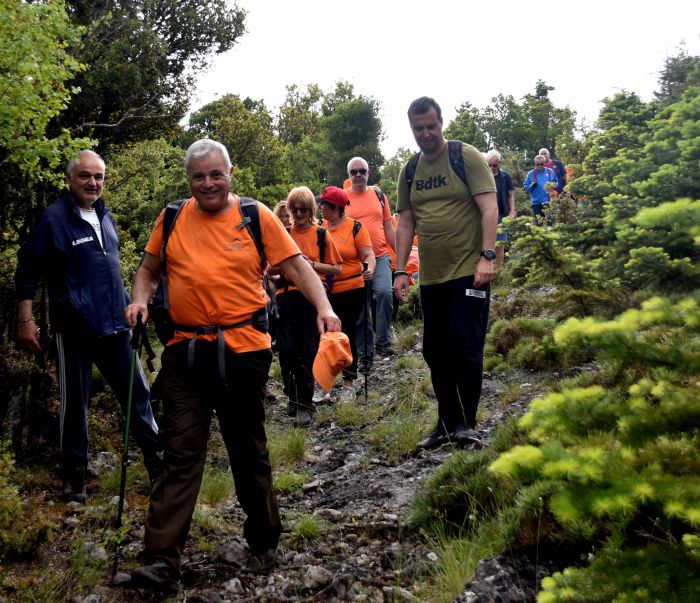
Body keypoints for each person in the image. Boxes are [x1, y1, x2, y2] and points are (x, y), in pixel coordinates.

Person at [125, 140, 341, 593]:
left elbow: (298, 267)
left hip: (244, 350)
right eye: (198, 176)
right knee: (180, 453)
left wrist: (324, 309)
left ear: (231, 173)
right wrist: (140, 300)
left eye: (215, 174)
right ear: (189, 179)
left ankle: (263, 538)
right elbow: (147, 269)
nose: (207, 184)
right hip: (185, 352)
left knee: (247, 446)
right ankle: (162, 562)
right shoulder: (170, 217)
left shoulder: (255, 215)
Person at [14, 150, 162, 504]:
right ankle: (74, 478)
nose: (93, 183)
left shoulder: (104, 215)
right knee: (74, 406)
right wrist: (25, 320)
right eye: (85, 176)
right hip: (75, 331)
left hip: (116, 325)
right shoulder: (53, 219)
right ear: (70, 179)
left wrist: (133, 305)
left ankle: (159, 465)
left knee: (138, 396)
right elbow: (27, 272)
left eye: (98, 177)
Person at [394, 97, 498, 450]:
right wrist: (399, 270)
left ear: (441, 122)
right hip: (433, 276)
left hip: (470, 271)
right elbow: (405, 223)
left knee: (465, 346)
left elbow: (489, 206)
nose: (426, 133)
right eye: (418, 128)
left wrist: (487, 256)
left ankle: (465, 424)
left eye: (431, 126)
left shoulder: (464, 156)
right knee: (435, 352)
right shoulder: (410, 170)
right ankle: (445, 424)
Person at [269, 186, 342, 426]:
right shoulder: (284, 233)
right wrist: (291, 266)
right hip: (286, 296)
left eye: (303, 209)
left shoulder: (321, 234)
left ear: (311, 210)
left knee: (309, 349)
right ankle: (293, 396)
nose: (298, 213)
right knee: (287, 350)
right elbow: (270, 269)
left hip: (312, 297)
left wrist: (310, 264)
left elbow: (336, 268)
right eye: (294, 209)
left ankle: (305, 404)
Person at [318, 186, 376, 401]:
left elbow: (368, 254)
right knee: (325, 335)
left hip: (352, 288)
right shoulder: (319, 229)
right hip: (326, 290)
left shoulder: (355, 228)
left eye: (323, 203)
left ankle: (348, 383)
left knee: (346, 333)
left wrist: (368, 268)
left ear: (335, 207)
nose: (320, 207)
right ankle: (324, 382)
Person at [345, 157, 397, 370]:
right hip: (354, 261)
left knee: (385, 293)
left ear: (368, 173)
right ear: (348, 175)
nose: (358, 175)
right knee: (360, 307)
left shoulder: (379, 195)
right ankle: (365, 351)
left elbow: (389, 227)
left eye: (362, 171)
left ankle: (383, 341)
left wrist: (401, 255)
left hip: (381, 255)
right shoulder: (343, 199)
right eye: (354, 171)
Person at [485, 150, 516, 268]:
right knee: (488, 243)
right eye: (489, 165)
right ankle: (488, 268)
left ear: (500, 163)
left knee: (500, 244)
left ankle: (498, 272)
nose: (492, 167)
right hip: (487, 214)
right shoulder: (482, 175)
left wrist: (512, 211)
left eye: (495, 165)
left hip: (502, 213)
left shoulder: (505, 176)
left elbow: (511, 195)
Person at [524, 154, 557, 224]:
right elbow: (526, 187)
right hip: (536, 203)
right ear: (535, 164)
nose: (539, 166)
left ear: (544, 163)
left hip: (549, 202)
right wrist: (531, 186)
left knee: (550, 224)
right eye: (537, 164)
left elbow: (556, 182)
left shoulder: (550, 171)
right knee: (538, 224)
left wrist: (553, 185)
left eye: (541, 164)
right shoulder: (531, 173)